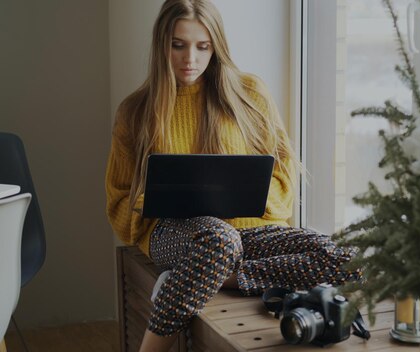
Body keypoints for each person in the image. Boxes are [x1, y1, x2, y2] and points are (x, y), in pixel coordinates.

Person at [105, 1, 361, 351]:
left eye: (202, 46)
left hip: (247, 233)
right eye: (178, 44)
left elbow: (283, 173)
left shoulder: (249, 94)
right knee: (219, 239)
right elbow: (118, 200)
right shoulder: (135, 111)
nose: (190, 58)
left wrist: (250, 196)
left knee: (349, 257)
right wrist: (155, 198)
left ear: (216, 46)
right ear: (161, 44)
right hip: (177, 234)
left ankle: (209, 274)